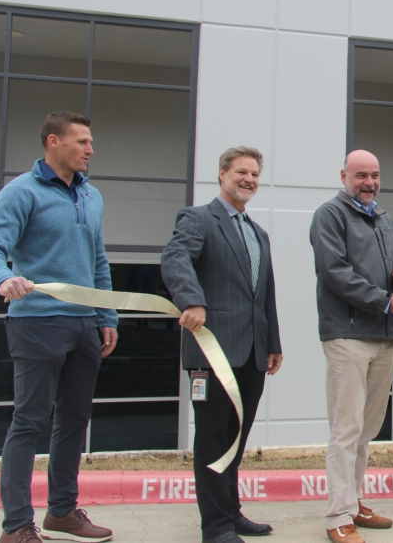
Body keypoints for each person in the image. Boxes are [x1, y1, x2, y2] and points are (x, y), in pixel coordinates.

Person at [0, 112, 116, 543]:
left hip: (84, 323)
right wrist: (2, 278)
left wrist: (107, 316)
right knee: (29, 421)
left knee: (75, 420)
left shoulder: (91, 196)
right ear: (54, 142)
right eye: (82, 142)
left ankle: (61, 512)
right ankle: (17, 526)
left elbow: (98, 261)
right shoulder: (21, 192)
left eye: (91, 142)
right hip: (36, 321)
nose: (90, 149)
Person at [161, 146, 283, 543]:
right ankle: (215, 528)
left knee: (236, 438)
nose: (249, 179)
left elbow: (264, 295)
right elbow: (175, 257)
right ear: (221, 175)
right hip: (211, 352)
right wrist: (191, 299)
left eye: (254, 174)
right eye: (241, 172)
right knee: (213, 438)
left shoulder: (257, 232)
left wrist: (273, 342)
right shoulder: (198, 218)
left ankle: (231, 513)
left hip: (252, 352)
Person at [310, 150, 393, 543]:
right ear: (344, 176)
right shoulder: (329, 216)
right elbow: (335, 272)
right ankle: (338, 516)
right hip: (347, 336)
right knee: (346, 429)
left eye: (374, 175)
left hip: (384, 337)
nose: (369, 182)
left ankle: (354, 503)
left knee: (367, 429)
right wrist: (386, 301)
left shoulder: (383, 218)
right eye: (360, 176)